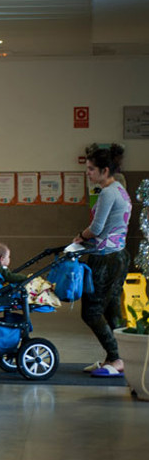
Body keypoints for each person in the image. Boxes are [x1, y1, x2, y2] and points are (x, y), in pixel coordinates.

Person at [74, 144, 131, 378]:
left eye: (91, 169)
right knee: (111, 308)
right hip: (119, 255)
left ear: (104, 170)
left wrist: (79, 237)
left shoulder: (107, 192)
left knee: (91, 311)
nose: (88, 173)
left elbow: (97, 228)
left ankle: (116, 357)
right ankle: (118, 357)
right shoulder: (120, 189)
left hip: (105, 259)